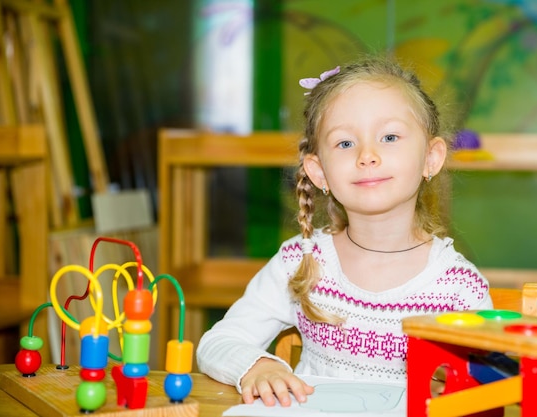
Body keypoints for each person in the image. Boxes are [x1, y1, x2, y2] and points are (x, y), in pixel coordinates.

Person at [196, 56, 492, 407]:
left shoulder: (458, 286)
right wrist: (257, 366)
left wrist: (462, 387)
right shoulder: (301, 262)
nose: (367, 155)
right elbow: (218, 342)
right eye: (345, 143)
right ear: (319, 172)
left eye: (390, 136)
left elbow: (488, 384)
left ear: (431, 158)